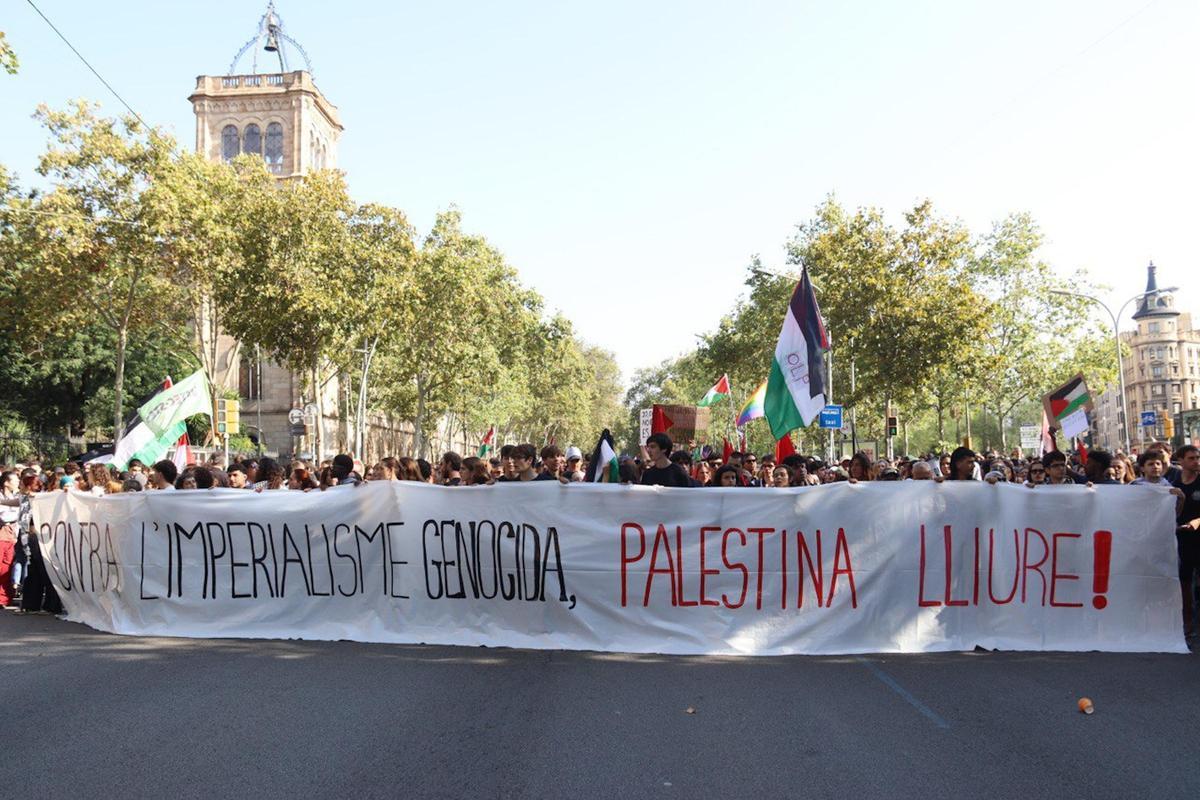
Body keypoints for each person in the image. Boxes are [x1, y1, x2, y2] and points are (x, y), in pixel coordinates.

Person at [1170, 444, 1200, 638]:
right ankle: (1187, 622)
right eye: (1191, 458)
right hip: (1179, 539)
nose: (1196, 461)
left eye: (1197, 457)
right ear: (1180, 460)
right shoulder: (1171, 482)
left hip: (1198, 536)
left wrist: (1196, 522)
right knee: (1184, 582)